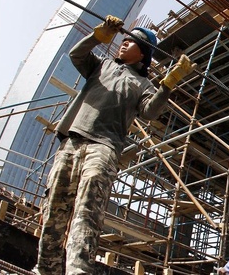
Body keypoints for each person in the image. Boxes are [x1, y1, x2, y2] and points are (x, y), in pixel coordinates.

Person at [34, 15, 196, 275]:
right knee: (55, 206)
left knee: (88, 208)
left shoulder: (143, 84)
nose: (123, 43)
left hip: (104, 147)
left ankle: (78, 270)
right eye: (123, 40)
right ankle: (46, 270)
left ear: (142, 54)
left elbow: (150, 112)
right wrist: (99, 36)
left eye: (130, 42)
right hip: (73, 140)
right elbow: (76, 55)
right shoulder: (102, 66)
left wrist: (167, 85)